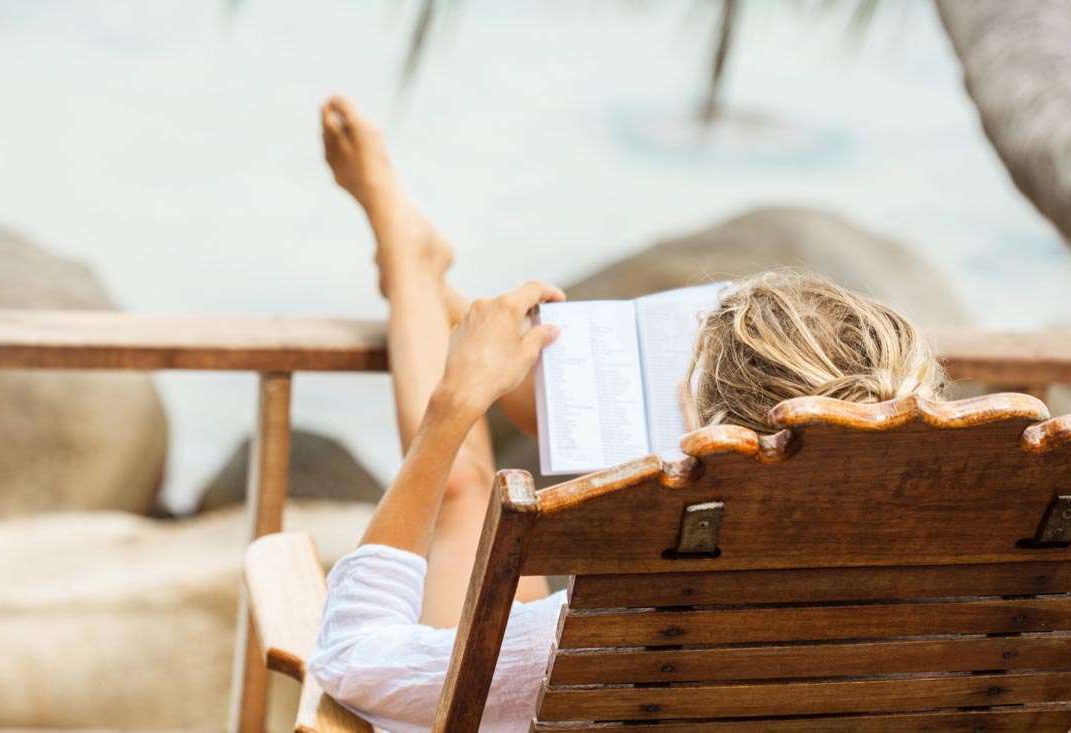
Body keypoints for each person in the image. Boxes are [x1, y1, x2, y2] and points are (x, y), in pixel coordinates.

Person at [307, 96, 947, 733]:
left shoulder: (591, 639)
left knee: (461, 496)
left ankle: (413, 262)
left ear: (717, 440)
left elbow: (353, 658)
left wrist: (450, 412)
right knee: (467, 505)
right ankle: (423, 276)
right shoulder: (973, 606)